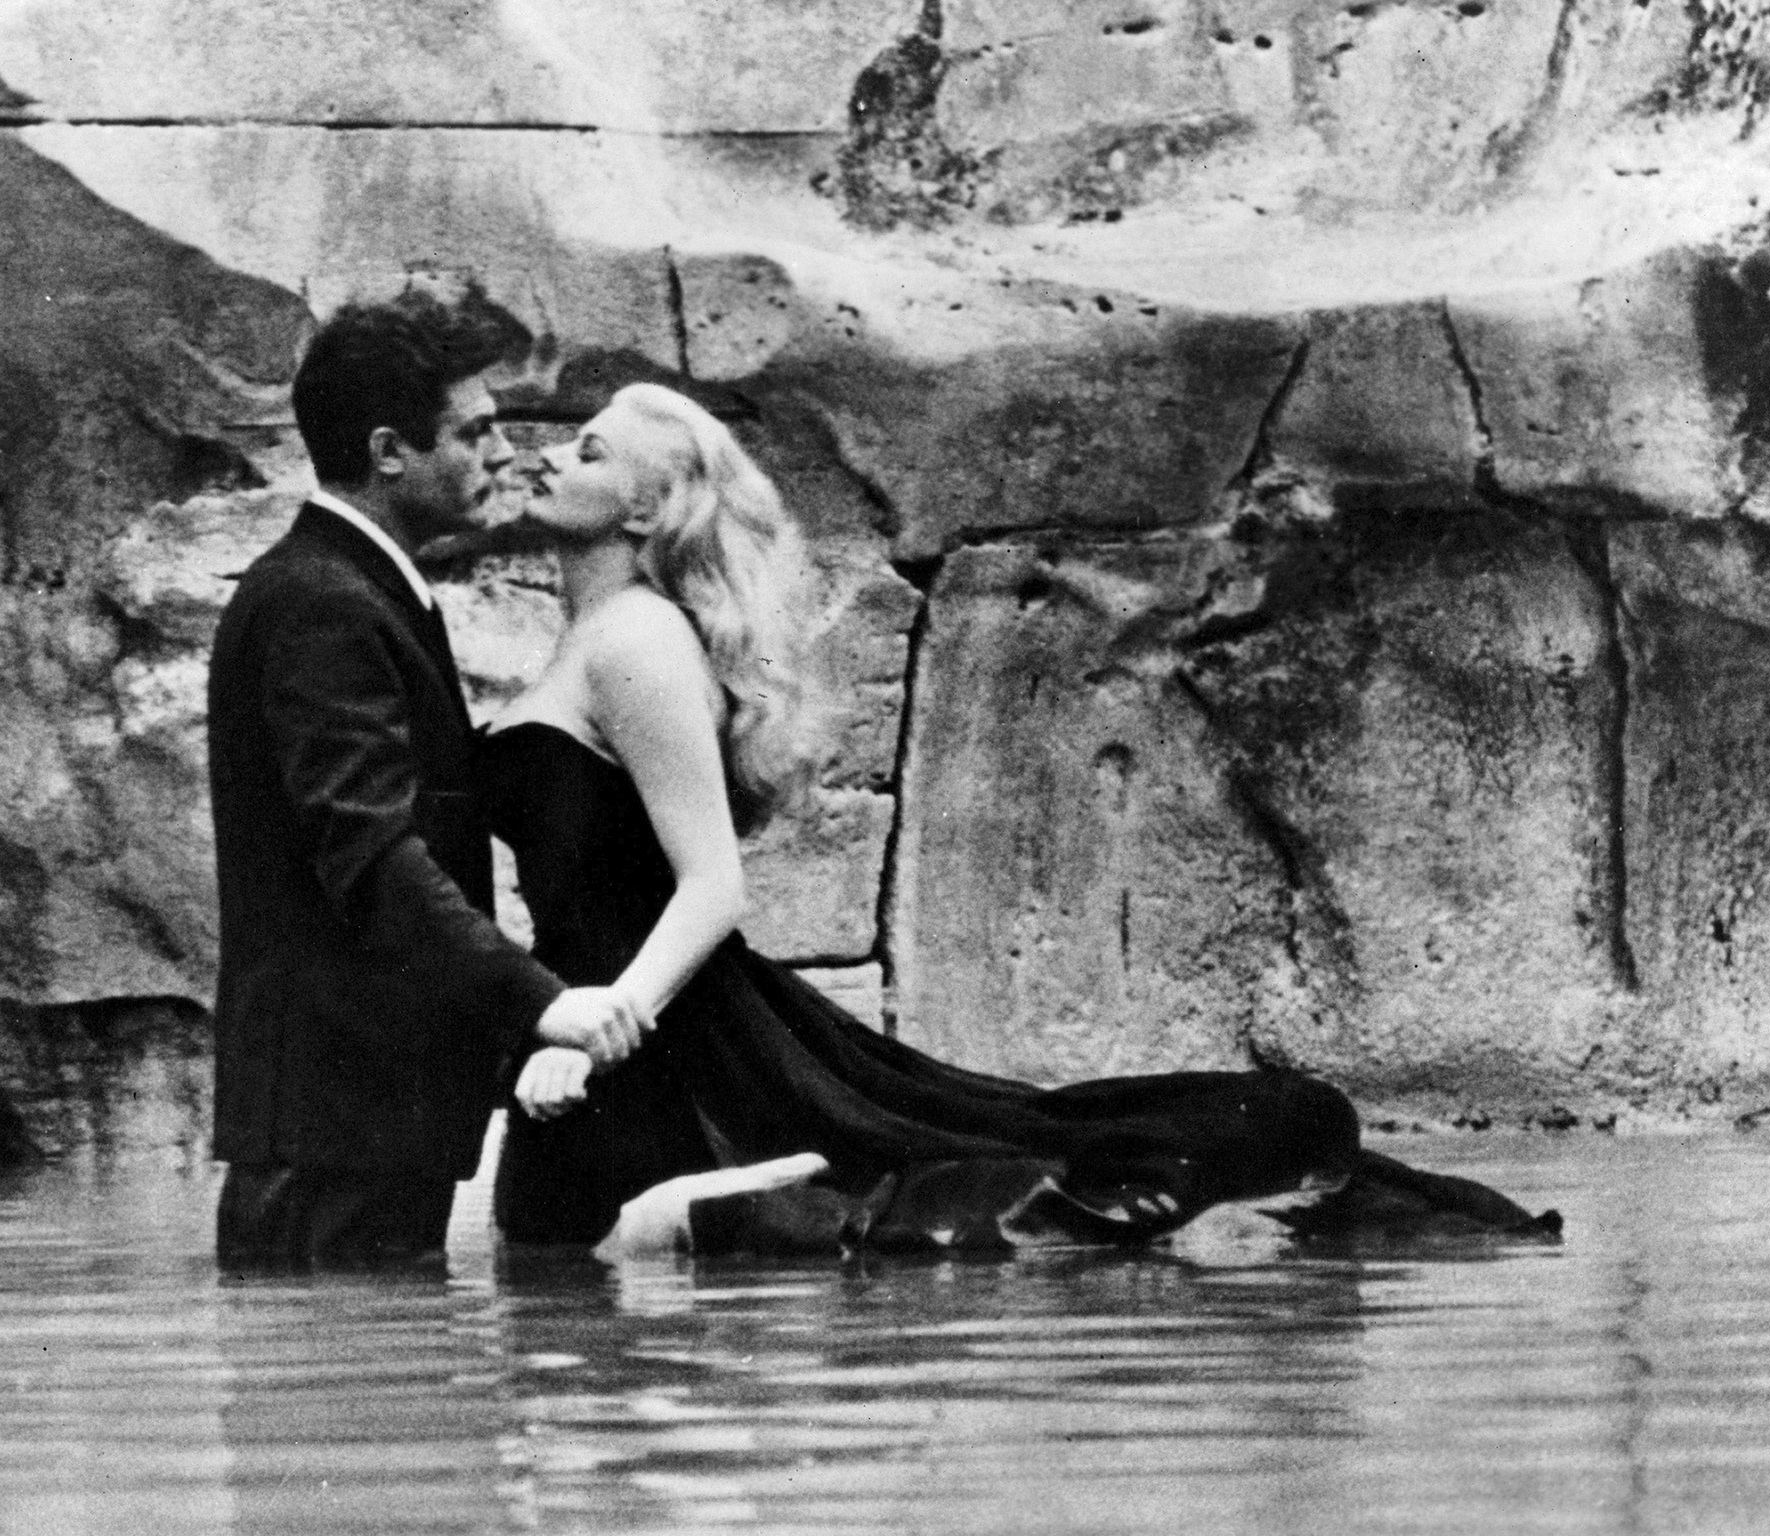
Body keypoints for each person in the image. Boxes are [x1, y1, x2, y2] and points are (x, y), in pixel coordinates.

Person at [480, 383, 1556, 1253]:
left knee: (613, 1242)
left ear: (643, 511)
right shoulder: (594, 635)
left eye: (586, 450)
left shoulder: (634, 640)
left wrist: (608, 1026)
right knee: (558, 1241)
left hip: (650, 1024)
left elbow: (713, 884)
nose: (545, 457)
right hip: (615, 1017)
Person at [204, 287, 649, 1270]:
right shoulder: (324, 602)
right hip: (336, 1132)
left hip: (359, 1121)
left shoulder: (354, 588)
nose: (503, 454)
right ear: (388, 451)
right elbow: (370, 856)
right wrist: (540, 1001)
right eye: (475, 432)